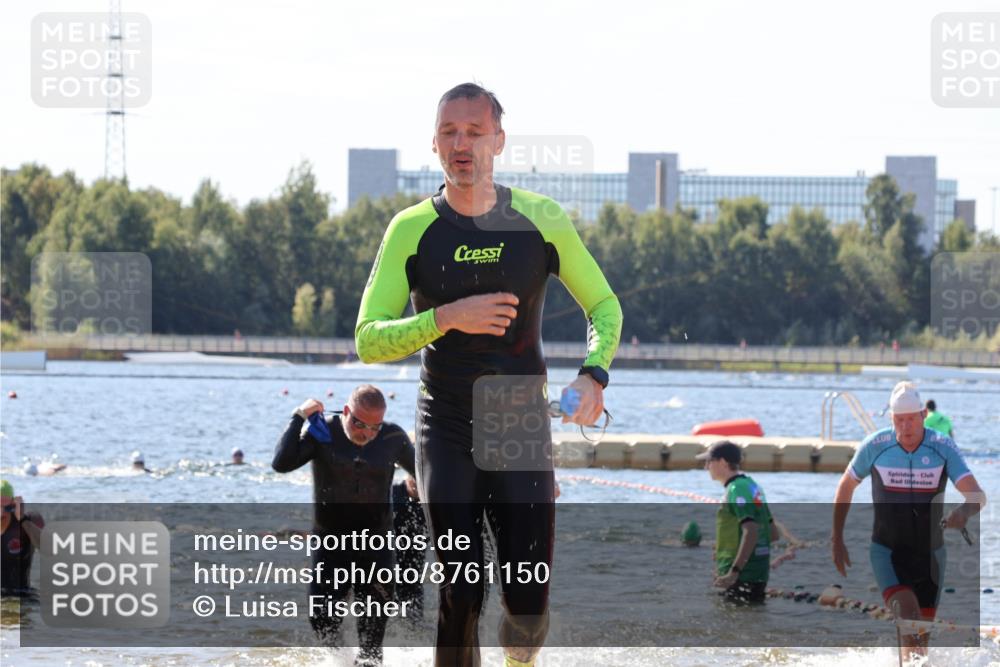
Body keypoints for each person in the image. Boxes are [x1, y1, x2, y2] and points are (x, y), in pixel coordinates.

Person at [355, 82, 622, 667]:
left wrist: (593, 376)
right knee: (461, 591)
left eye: (474, 132)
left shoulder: (541, 220)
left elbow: (604, 306)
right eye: (449, 132)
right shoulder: (410, 229)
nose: (462, 143)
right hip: (445, 425)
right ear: (433, 144)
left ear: (498, 141)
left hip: (519, 427)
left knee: (527, 604)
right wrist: (445, 317)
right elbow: (368, 338)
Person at [831, 381, 986, 663]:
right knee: (908, 614)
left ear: (923, 416)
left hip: (931, 556)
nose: (905, 428)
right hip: (887, 552)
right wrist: (837, 537)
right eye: (898, 421)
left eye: (911, 420)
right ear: (891, 419)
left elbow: (977, 495)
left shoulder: (942, 447)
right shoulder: (876, 445)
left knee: (919, 639)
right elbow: (846, 485)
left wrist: (963, 513)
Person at [272, 384, 416, 667]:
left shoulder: (393, 437)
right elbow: (281, 463)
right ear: (347, 411)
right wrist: (298, 417)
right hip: (331, 545)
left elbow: (427, 474)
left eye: (374, 427)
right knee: (321, 619)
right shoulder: (323, 433)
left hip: (376, 547)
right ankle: (341, 662)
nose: (367, 433)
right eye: (360, 424)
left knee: (372, 639)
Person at [697, 441, 777, 604]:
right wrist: (724, 548)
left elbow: (751, 530)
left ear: (723, 462)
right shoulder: (752, 486)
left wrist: (734, 570)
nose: (706, 467)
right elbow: (773, 533)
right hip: (758, 573)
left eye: (709, 461)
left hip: (740, 576)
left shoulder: (736, 489)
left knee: (731, 623)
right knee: (747, 623)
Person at [1, 480, 44, 596]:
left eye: (6, 508)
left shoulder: (29, 520)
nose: (1, 514)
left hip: (22, 596)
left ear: (13, 505)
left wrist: (23, 519)